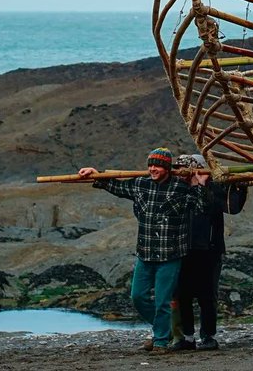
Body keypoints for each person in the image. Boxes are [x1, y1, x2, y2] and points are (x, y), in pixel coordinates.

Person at [78, 147, 208, 354]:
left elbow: (200, 207)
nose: (152, 169)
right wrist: (95, 173)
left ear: (166, 168)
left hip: (170, 255)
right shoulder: (141, 184)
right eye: (150, 165)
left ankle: (160, 343)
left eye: (157, 165)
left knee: (163, 301)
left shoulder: (180, 188)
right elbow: (115, 186)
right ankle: (161, 330)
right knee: (137, 296)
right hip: (145, 254)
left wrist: (197, 184)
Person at [168, 154, 248, 352]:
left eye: (184, 169)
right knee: (183, 295)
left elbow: (233, 207)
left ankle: (208, 336)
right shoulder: (178, 190)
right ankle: (187, 337)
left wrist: (241, 186)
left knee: (207, 296)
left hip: (209, 251)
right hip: (183, 250)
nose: (179, 173)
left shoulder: (214, 187)